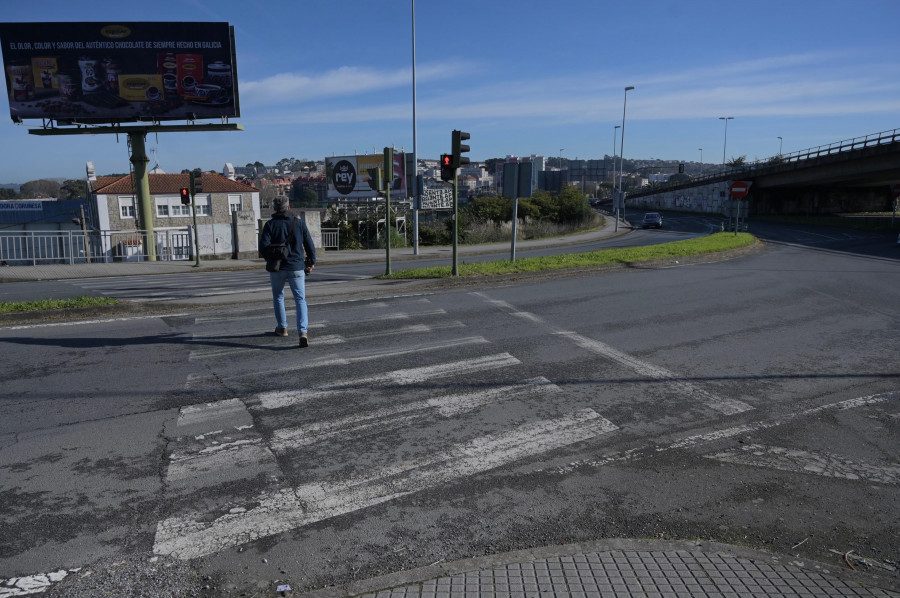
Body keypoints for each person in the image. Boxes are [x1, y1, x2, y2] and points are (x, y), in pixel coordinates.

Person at [259, 196, 317, 347]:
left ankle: (282, 327)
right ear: (289, 207)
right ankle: (303, 332)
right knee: (300, 299)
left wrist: (271, 258)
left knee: (278, 297)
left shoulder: (270, 225)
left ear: (274, 209)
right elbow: (309, 244)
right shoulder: (299, 223)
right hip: (297, 267)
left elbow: (263, 249)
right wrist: (311, 262)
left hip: (277, 268)